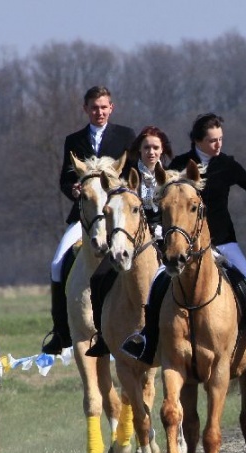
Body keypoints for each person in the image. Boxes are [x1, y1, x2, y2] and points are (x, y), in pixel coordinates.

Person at [121, 113, 246, 364]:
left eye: (220, 139)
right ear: (197, 140)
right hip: (185, 244)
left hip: (223, 240)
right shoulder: (178, 165)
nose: (218, 144)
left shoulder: (227, 164)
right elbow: (162, 201)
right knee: (157, 283)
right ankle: (147, 339)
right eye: (212, 140)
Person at [41, 86, 136, 355]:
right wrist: (73, 190)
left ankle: (148, 325)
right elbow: (65, 178)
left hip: (118, 215)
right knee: (57, 263)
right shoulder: (74, 140)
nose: (99, 112)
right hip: (85, 216)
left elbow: (133, 175)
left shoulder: (126, 136)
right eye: (94, 107)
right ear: (86, 109)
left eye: (104, 107)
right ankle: (61, 332)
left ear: (111, 108)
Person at [86, 125, 174, 357]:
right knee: (98, 277)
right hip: (131, 239)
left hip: (165, 237)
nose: (151, 152)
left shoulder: (170, 177)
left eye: (155, 148)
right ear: (140, 150)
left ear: (162, 150)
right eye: (146, 148)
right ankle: (103, 336)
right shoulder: (127, 177)